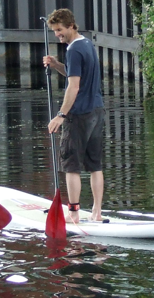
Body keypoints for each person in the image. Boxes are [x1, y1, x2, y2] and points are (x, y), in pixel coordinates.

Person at [43, 9, 105, 223]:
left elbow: (74, 86)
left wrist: (61, 115)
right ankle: (97, 213)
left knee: (71, 167)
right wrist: (55, 64)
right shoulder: (86, 44)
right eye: (54, 31)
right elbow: (75, 73)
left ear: (71, 26)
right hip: (97, 111)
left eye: (59, 30)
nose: (57, 34)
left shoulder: (73, 50)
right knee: (95, 165)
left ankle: (74, 214)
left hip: (78, 115)